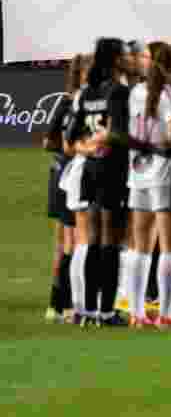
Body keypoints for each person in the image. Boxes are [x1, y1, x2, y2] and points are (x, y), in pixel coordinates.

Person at [64, 38, 133, 327]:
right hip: (112, 171)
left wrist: (87, 147)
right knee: (110, 242)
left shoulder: (85, 92)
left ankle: (88, 311)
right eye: (126, 55)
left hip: (91, 170)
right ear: (116, 60)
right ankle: (106, 311)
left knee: (93, 240)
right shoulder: (119, 92)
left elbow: (69, 137)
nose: (129, 59)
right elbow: (117, 134)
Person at [124, 42, 171, 327]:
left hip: (137, 170)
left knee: (140, 244)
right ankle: (167, 313)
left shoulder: (136, 91)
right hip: (162, 173)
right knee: (169, 245)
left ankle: (136, 313)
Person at [43, 54, 90, 323]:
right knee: (73, 241)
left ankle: (56, 305)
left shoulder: (64, 102)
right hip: (74, 174)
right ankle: (70, 305)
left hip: (59, 172)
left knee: (64, 242)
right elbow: (59, 143)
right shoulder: (80, 103)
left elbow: (48, 142)